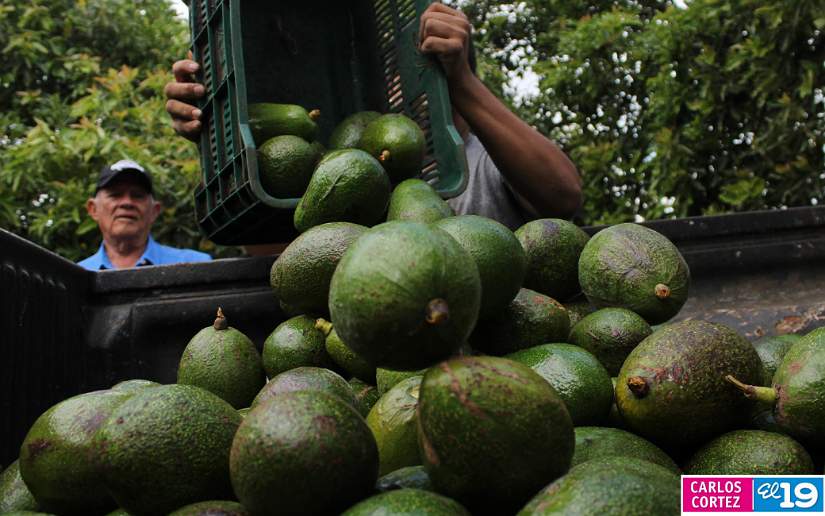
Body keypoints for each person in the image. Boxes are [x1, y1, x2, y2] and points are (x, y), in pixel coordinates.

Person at [164, 3, 581, 233]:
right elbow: (282, 257)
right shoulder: (365, 176)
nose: (402, 85)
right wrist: (222, 135)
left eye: (421, 69)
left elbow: (564, 197)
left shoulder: (486, 164)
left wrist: (463, 81)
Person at [77, 159, 212, 270]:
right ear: (93, 209)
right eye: (115, 195)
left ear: (155, 211)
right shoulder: (73, 278)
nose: (127, 203)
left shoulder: (196, 265)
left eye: (137, 195)